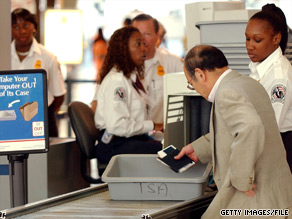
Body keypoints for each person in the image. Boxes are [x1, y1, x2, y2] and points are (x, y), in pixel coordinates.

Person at [175, 45, 292, 218]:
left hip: (256, 199)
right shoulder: (247, 82)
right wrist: (198, 148)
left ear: (200, 74)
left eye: (191, 83)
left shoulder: (227, 92)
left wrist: (241, 179)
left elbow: (250, 126)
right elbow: (234, 130)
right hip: (277, 193)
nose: (196, 89)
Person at [94, 26, 163, 164]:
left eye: (143, 43)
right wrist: (152, 125)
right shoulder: (117, 82)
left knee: (168, 147)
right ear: (123, 50)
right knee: (165, 153)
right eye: (138, 44)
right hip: (114, 145)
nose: (143, 48)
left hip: (129, 140)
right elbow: (117, 125)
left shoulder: (130, 79)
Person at [245, 5, 292, 172]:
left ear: (276, 39)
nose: (250, 45)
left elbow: (270, 126)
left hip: (278, 147)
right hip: (263, 144)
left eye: (257, 40)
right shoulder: (259, 67)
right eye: (247, 38)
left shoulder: (279, 76)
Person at [11, 8, 66, 137]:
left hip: (42, 120)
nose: (22, 31)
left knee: (45, 157)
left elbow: (59, 95)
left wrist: (43, 113)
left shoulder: (48, 58)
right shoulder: (3, 56)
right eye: (16, 27)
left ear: (34, 28)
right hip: (9, 120)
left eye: (25, 26)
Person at [132, 14, 183, 125]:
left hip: (162, 137)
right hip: (131, 137)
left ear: (157, 36)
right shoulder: (121, 66)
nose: (142, 40)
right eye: (137, 35)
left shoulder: (172, 62)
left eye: (147, 34)